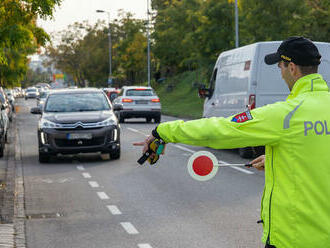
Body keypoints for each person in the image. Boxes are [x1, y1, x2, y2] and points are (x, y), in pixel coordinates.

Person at [134, 36, 330, 248]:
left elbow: (221, 130)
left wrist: (163, 131)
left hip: (294, 239)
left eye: (280, 67)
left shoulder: (286, 115)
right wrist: (279, 159)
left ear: (291, 68)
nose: (281, 73)